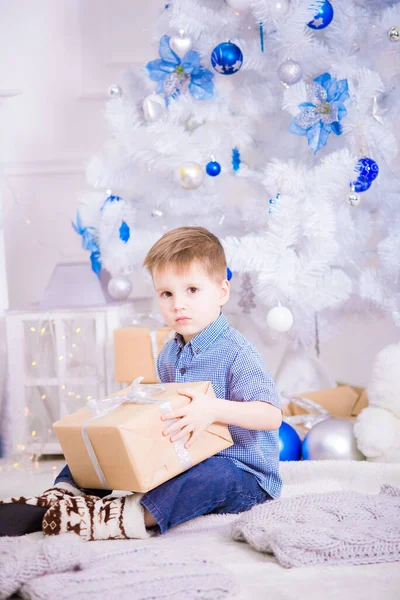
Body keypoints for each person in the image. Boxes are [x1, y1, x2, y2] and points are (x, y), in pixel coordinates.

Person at [0, 226, 282, 540]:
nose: (178, 304)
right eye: (167, 294)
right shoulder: (167, 355)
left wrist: (213, 410)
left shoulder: (237, 352)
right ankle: (62, 497)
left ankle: (124, 517)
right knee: (103, 440)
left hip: (243, 476)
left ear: (222, 292)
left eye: (192, 290)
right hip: (186, 457)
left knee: (212, 476)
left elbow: (271, 416)